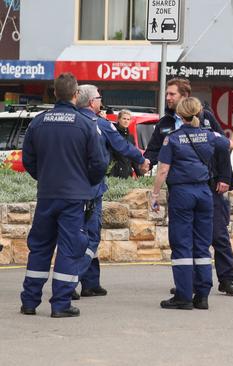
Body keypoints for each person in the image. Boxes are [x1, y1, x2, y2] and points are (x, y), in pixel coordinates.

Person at [145, 78, 233, 296]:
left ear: (184, 98)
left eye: (172, 94)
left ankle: (224, 279)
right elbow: (152, 153)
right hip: (193, 190)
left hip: (205, 188)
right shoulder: (165, 124)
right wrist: (141, 162)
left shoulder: (205, 119)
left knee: (214, 235)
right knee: (196, 241)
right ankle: (194, 286)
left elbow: (223, 153)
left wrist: (224, 177)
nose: (168, 97)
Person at [19, 73, 107, 318]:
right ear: (75, 94)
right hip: (74, 198)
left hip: (47, 195)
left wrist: (44, 178)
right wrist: (85, 183)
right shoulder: (86, 124)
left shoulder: (38, 122)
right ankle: (61, 304)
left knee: (39, 247)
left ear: (55, 93)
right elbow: (99, 164)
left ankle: (29, 302)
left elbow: (28, 160)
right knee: (69, 249)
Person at [150, 97, 231, 310]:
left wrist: (154, 194)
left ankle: (184, 296)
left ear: (180, 115)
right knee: (202, 244)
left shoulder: (173, 139)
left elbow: (163, 170)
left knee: (182, 244)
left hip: (182, 194)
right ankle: (202, 296)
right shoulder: (210, 135)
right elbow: (232, 144)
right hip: (204, 193)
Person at [75, 85, 150, 299]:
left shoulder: (72, 120)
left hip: (70, 188)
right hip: (91, 189)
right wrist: (142, 160)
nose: (101, 101)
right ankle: (72, 281)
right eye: (99, 97)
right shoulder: (100, 123)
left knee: (82, 235)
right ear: (91, 102)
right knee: (91, 236)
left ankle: (91, 282)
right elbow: (122, 146)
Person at [108, 109, 143, 179]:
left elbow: (133, 157)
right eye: (124, 118)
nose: (126, 121)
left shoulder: (130, 137)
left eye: (128, 119)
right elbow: (109, 155)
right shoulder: (113, 134)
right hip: (114, 174)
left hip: (127, 174)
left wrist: (139, 174)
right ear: (118, 119)